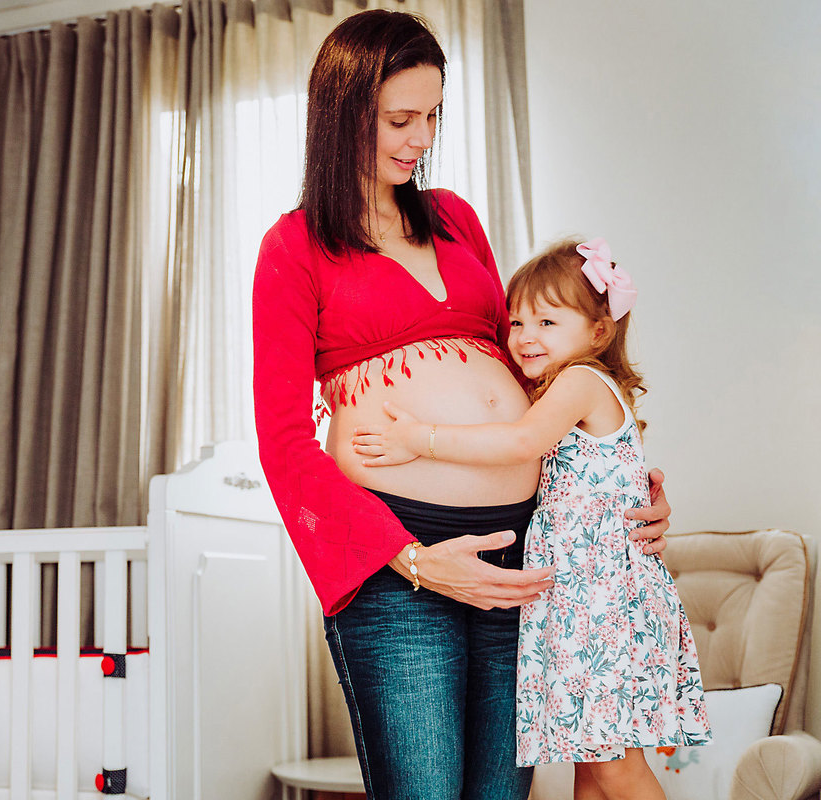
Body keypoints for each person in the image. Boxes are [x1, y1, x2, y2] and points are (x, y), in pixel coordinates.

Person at [250, 10, 673, 800]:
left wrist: (619, 481)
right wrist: (409, 559)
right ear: (343, 114)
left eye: (433, 115)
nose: (419, 139)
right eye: (399, 119)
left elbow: (539, 375)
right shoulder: (294, 247)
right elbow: (282, 443)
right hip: (401, 566)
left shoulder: (454, 219)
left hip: (523, 556)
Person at [353, 238, 711, 799]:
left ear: (598, 331)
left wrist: (417, 439)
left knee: (614, 764)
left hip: (602, 604)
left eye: (547, 321)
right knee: (589, 765)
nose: (524, 337)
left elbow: (521, 443)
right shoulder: (558, 388)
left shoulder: (580, 382)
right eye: (517, 322)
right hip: (577, 602)